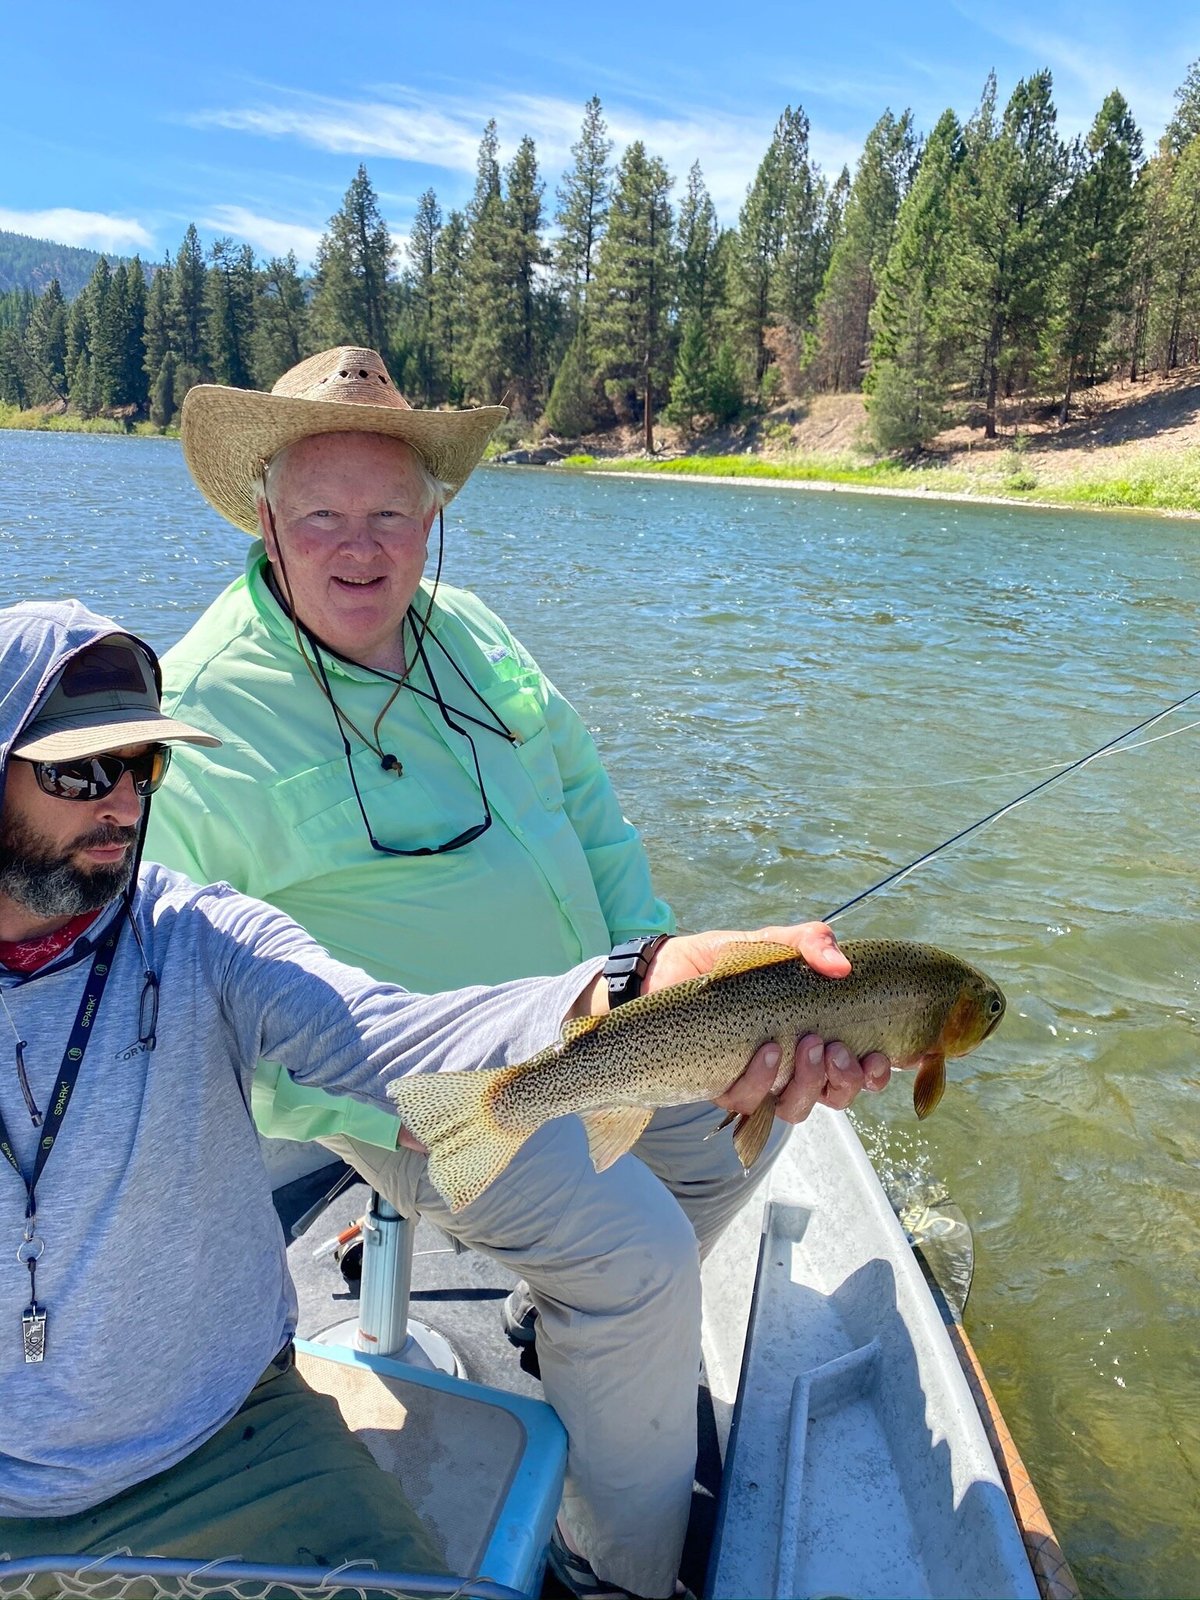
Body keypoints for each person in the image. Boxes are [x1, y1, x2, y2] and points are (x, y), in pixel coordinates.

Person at [146, 347, 892, 1600]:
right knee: (636, 1257)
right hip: (397, 1085)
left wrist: (670, 986)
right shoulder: (203, 710)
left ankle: (567, 1333)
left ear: (433, 517)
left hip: (592, 1023)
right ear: (263, 515)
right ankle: (617, 1569)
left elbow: (590, 815)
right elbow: (186, 979)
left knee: (741, 1130)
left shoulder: (474, 633)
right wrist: (338, 1101)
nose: (359, 549)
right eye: (321, 515)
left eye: (390, 515)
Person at [0, 598, 866, 1595]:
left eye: (143, 766)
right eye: (79, 771)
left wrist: (633, 980)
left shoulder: (198, 936)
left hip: (227, 1439)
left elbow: (393, 1036)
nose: (120, 805)